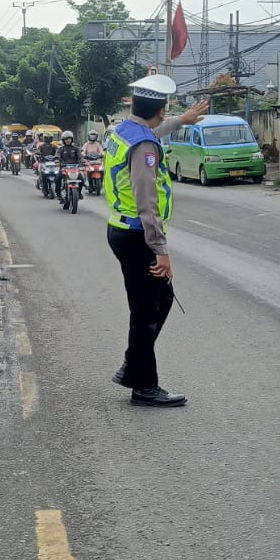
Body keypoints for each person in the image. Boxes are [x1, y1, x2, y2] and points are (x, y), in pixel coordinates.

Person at [106, 75, 211, 407]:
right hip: (138, 234)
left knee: (152, 304)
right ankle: (143, 384)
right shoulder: (144, 146)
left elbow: (151, 132)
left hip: (119, 229)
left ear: (134, 104)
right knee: (150, 308)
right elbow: (147, 202)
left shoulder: (122, 131)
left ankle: (135, 367)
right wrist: (161, 251)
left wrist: (183, 120)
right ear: (160, 108)